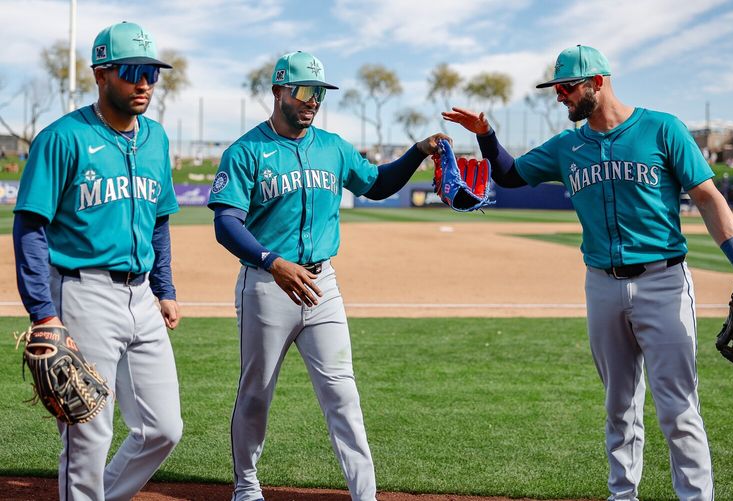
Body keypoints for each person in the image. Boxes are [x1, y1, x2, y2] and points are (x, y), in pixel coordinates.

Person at [444, 45, 733, 501]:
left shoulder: (663, 129)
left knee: (679, 410)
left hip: (664, 282)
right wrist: (486, 134)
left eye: (566, 87)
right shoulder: (567, 146)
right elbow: (511, 175)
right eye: (556, 88)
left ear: (597, 82)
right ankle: (622, 496)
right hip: (601, 285)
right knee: (619, 406)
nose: (559, 96)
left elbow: (710, 198)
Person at [208, 50, 449, 501]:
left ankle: (365, 495)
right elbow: (226, 222)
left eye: (319, 93)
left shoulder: (333, 148)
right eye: (303, 90)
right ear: (279, 89)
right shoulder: (245, 152)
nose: (312, 100)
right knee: (256, 392)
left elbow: (376, 184)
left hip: (323, 286)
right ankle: (246, 485)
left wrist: (417, 151)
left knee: (343, 394)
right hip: (266, 285)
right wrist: (271, 261)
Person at [13, 21, 182, 501]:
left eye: (152, 72)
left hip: (142, 296)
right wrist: (43, 312)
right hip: (83, 292)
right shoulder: (61, 138)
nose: (144, 82)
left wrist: (165, 289)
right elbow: (29, 228)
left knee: (162, 429)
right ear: (101, 74)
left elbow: (159, 222)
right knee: (88, 436)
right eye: (132, 71)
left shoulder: (156, 139)